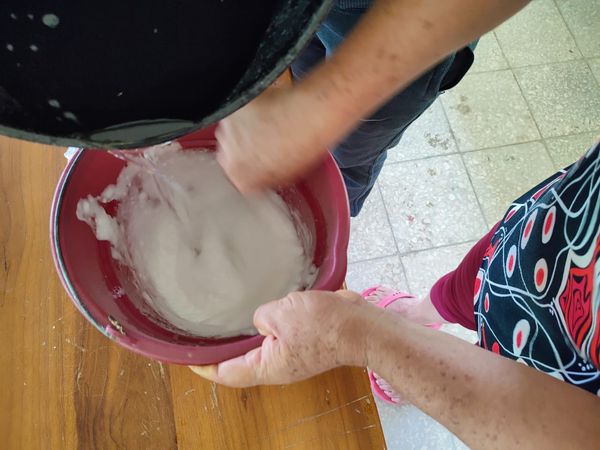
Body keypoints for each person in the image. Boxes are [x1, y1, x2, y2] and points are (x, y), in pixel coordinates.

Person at [191, 140, 600, 448]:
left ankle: (417, 355)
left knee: (507, 364)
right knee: (479, 278)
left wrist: (363, 337)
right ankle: (420, 315)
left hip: (563, 373)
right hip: (558, 231)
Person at [216, 0, 529, 216]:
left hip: (409, 25)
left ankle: (340, 206)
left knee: (349, 154)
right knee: (299, 88)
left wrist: (318, 110)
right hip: (295, 12)